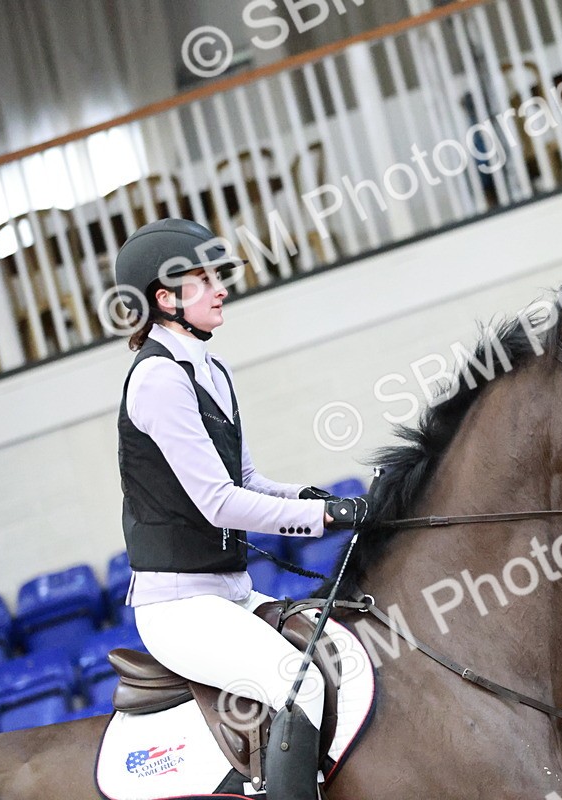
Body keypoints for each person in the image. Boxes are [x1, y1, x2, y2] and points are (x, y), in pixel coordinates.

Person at [113, 218, 367, 800]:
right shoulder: (156, 379)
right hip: (178, 607)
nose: (221, 289)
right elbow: (219, 503)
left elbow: (248, 480)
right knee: (300, 686)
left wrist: (318, 499)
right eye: (204, 280)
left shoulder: (213, 370)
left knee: (343, 664)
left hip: (230, 591)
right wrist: (323, 520)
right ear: (165, 298)